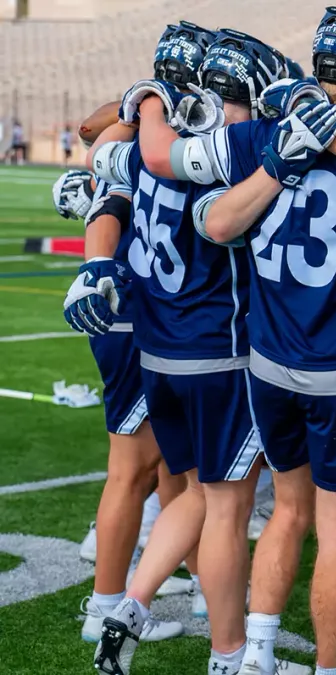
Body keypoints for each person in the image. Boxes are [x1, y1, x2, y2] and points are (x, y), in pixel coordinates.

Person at [86, 26, 311, 675]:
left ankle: (125, 607)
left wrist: (142, 104)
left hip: (160, 352)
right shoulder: (232, 150)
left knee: (199, 497)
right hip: (221, 350)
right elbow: (233, 221)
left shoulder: (155, 146)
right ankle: (230, 656)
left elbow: (104, 153)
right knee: (228, 507)